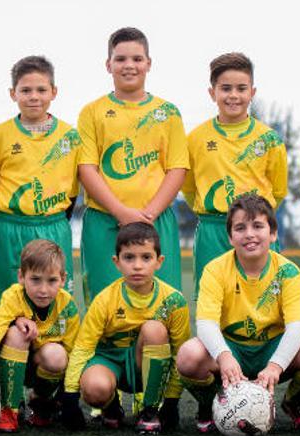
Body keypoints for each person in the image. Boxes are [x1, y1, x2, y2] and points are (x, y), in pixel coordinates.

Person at [176, 194, 300, 432]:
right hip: (232, 349)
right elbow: (206, 323)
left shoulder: (288, 272)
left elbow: (298, 327)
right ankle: (211, 405)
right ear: (230, 237)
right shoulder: (215, 270)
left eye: (258, 226)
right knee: (189, 355)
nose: (249, 233)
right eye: (240, 228)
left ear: (273, 234)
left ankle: (295, 402)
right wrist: (224, 356)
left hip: (272, 347)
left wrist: (275, 366)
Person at [77, 27, 188, 305]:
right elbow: (87, 168)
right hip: (105, 220)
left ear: (149, 63)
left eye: (137, 59)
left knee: (162, 304)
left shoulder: (168, 113)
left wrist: (147, 215)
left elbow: (177, 168)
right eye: (121, 59)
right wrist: (122, 212)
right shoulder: (92, 112)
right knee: (106, 305)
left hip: (157, 220)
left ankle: (162, 351)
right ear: (108, 64)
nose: (129, 66)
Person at [61, 222, 190, 434]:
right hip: (111, 362)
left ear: (159, 262)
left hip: (145, 370)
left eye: (146, 257)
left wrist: (172, 402)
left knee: (154, 330)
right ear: (117, 262)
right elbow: (84, 348)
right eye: (129, 258)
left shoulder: (174, 301)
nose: (137, 265)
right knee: (94, 388)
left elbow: (179, 354)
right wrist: (70, 397)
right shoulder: (104, 300)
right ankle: (111, 409)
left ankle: (150, 411)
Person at [183, 52, 287, 295]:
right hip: (212, 230)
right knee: (215, 300)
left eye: (241, 88)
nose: (233, 95)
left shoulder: (269, 138)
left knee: (265, 298)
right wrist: (214, 213)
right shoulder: (196, 138)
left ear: (252, 92)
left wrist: (254, 220)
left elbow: (278, 190)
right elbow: (188, 188)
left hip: (257, 229)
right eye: (225, 88)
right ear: (212, 93)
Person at [0, 56, 80, 298]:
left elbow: (72, 191)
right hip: (10, 228)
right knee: (8, 300)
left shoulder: (70, 137)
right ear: (12, 93)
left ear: (54, 92)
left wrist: (50, 216)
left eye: (41, 89)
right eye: (25, 90)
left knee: (55, 300)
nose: (34, 96)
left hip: (53, 226)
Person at [0, 239, 80, 432]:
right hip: (6, 363)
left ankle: (41, 402)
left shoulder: (68, 305)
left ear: (63, 279)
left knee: (57, 354)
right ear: (21, 276)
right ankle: (9, 410)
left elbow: (74, 355)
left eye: (52, 280)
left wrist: (68, 398)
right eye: (35, 279)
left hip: (42, 368)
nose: (43, 290)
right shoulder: (13, 296)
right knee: (16, 333)